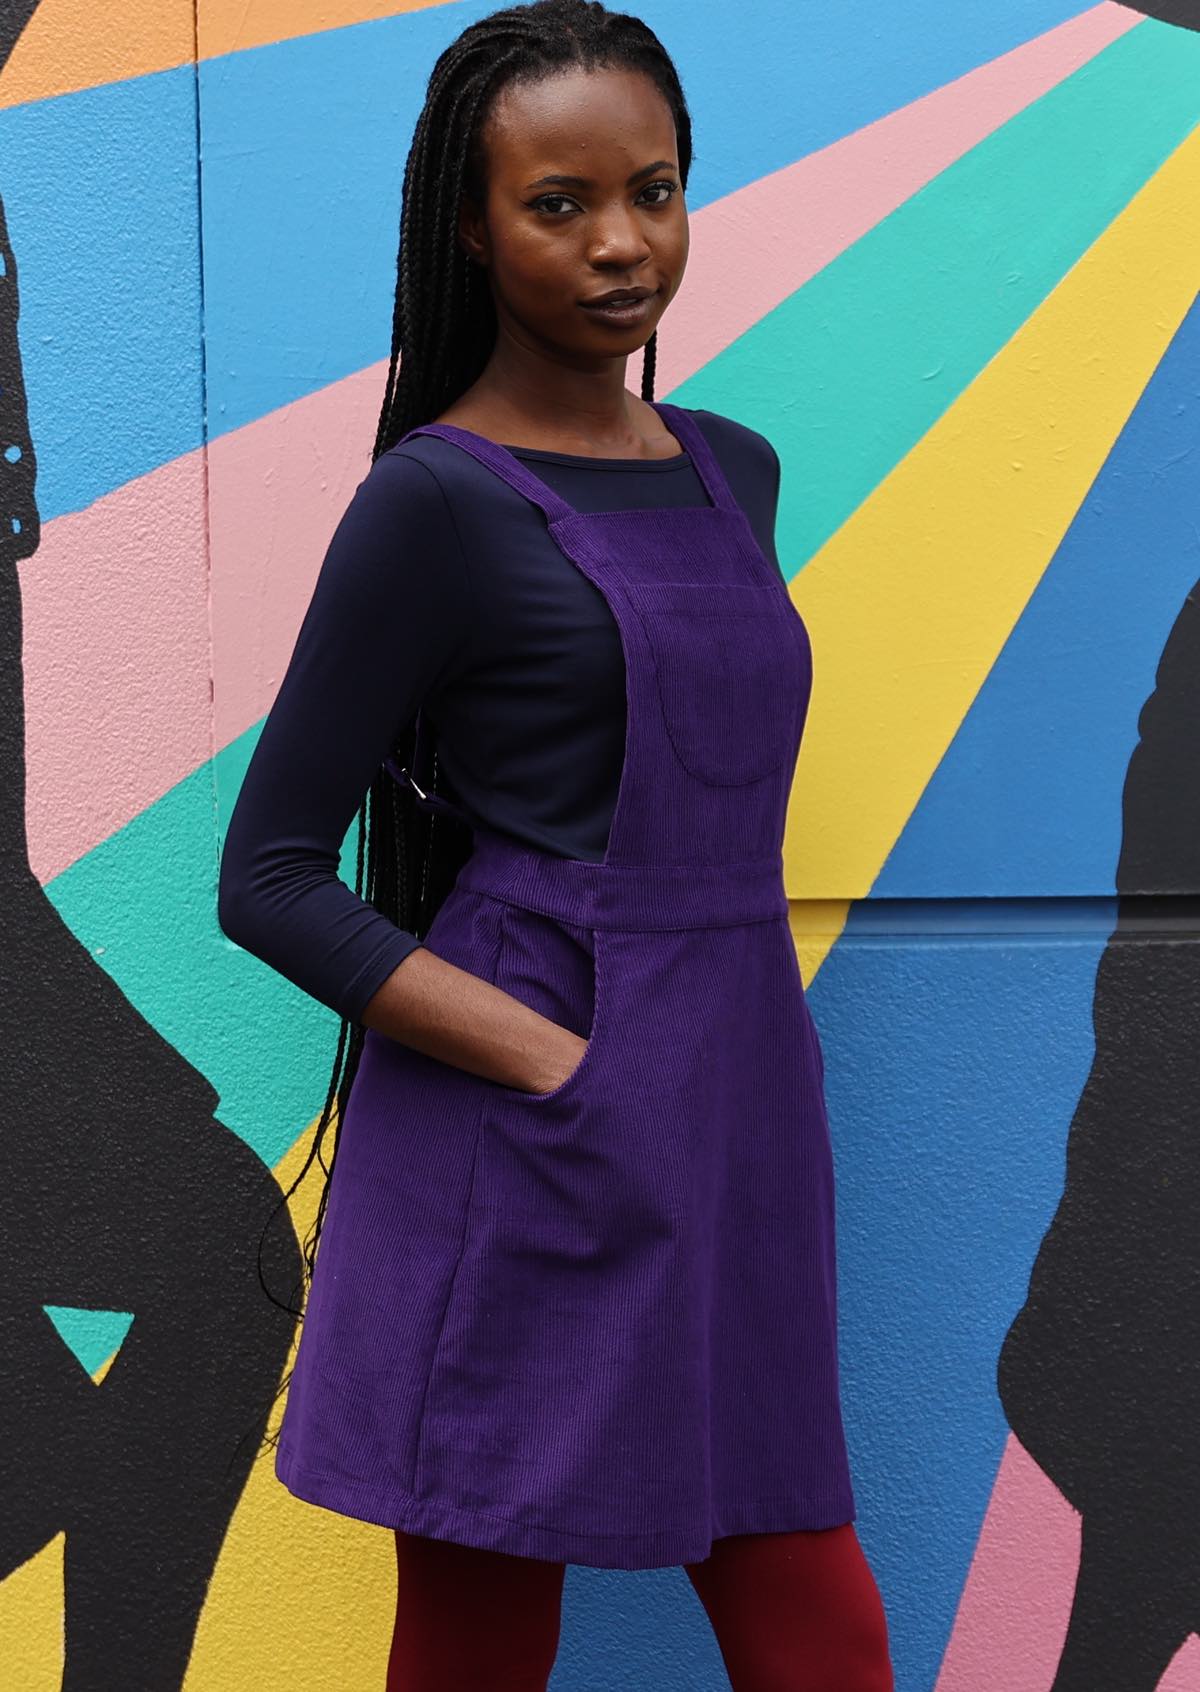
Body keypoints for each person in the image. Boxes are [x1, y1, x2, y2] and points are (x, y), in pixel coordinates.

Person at [217, 2, 894, 1687]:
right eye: (559, 203)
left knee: (803, 1578)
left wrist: (684, 1073)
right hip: (530, 1114)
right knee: (480, 1609)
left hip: (735, 1102)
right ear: (469, 220)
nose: (621, 245)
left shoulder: (738, 472)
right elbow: (272, 874)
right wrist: (555, 1060)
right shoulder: (434, 502)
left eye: (652, 193)